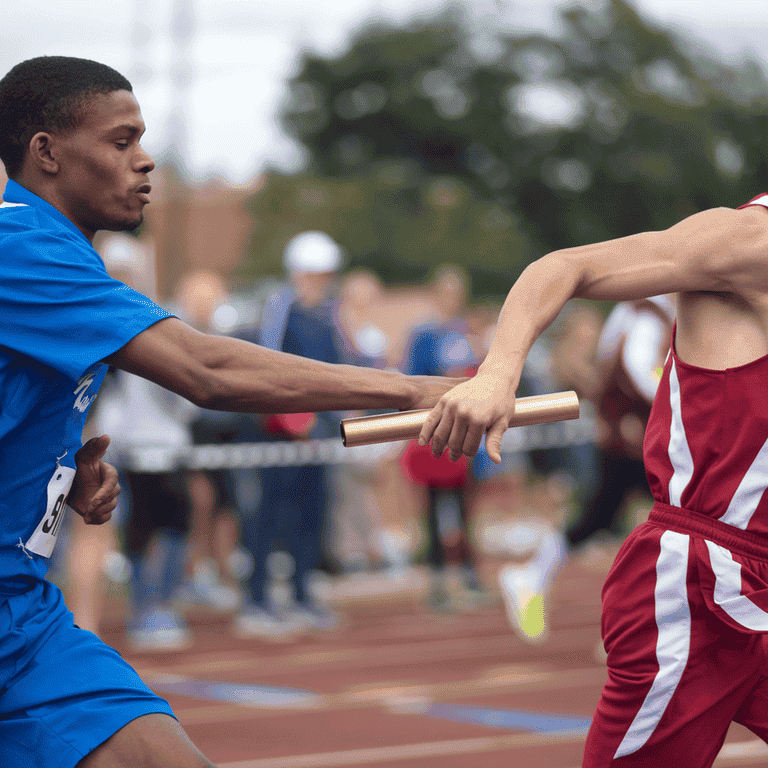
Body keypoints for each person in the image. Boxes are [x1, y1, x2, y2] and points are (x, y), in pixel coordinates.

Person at [0, 56, 458, 768]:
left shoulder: (63, 256)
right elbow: (206, 370)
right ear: (47, 153)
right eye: (121, 142)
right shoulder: (19, 249)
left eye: (142, 139)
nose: (146, 161)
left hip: (23, 619)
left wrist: (60, 473)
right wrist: (414, 390)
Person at [420, 192, 768, 766]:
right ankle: (533, 575)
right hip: (699, 584)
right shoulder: (743, 242)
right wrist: (498, 372)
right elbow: (563, 266)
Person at [232, 230, 346, 641]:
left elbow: (338, 373)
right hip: (277, 439)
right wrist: (293, 419)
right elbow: (266, 366)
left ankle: (301, 593)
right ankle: (256, 599)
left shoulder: (327, 316)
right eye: (315, 272)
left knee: (311, 516)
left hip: (319, 438)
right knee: (267, 516)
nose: (321, 280)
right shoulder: (279, 309)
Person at [400, 265, 484, 609]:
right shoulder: (423, 335)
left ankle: (468, 575)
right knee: (434, 509)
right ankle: (438, 582)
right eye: (446, 293)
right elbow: (413, 381)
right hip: (436, 431)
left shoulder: (468, 333)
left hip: (467, 431)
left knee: (466, 508)